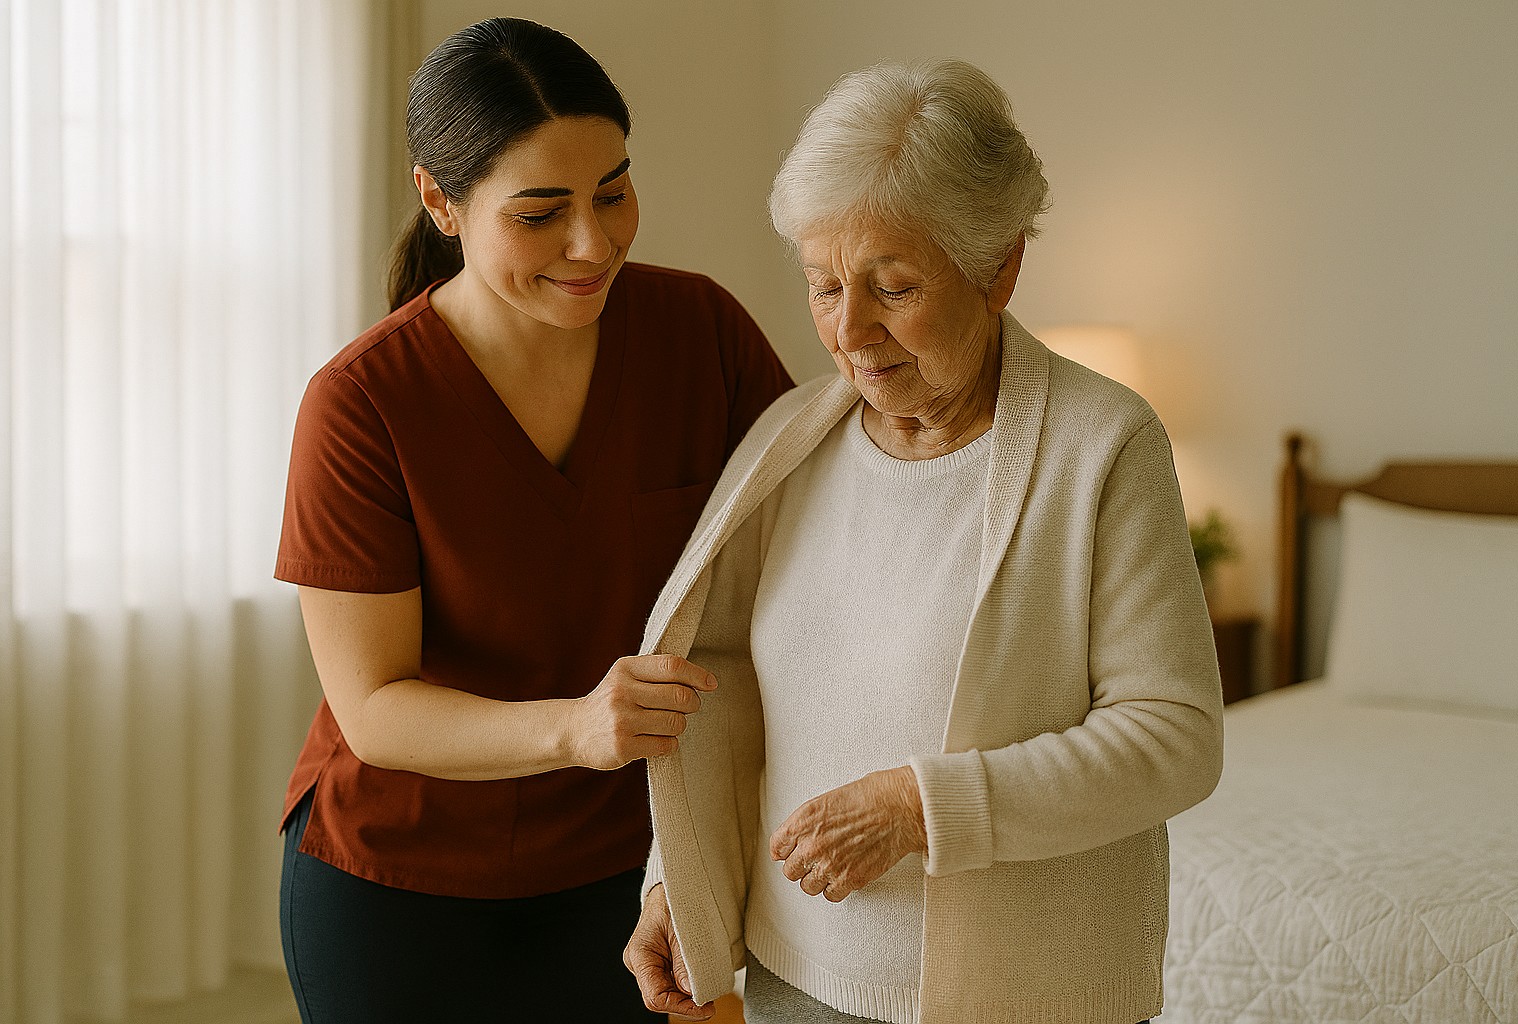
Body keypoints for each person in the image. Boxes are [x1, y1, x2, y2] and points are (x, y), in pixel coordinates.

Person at [624, 60, 1223, 1024]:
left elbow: (1175, 739)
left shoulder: (1102, 445)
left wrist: (919, 808)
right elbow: (719, 681)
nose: (850, 330)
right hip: (794, 979)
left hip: (1021, 996)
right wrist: (675, 885)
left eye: (893, 287)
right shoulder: (790, 443)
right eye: (823, 285)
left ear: (1000, 271)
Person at [274, 18, 793, 1024]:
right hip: (399, 894)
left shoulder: (703, 335)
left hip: (631, 876)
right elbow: (374, 706)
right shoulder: (360, 403)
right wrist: (576, 727)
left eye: (614, 190)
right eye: (542, 211)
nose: (594, 243)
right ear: (441, 202)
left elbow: (809, 555)